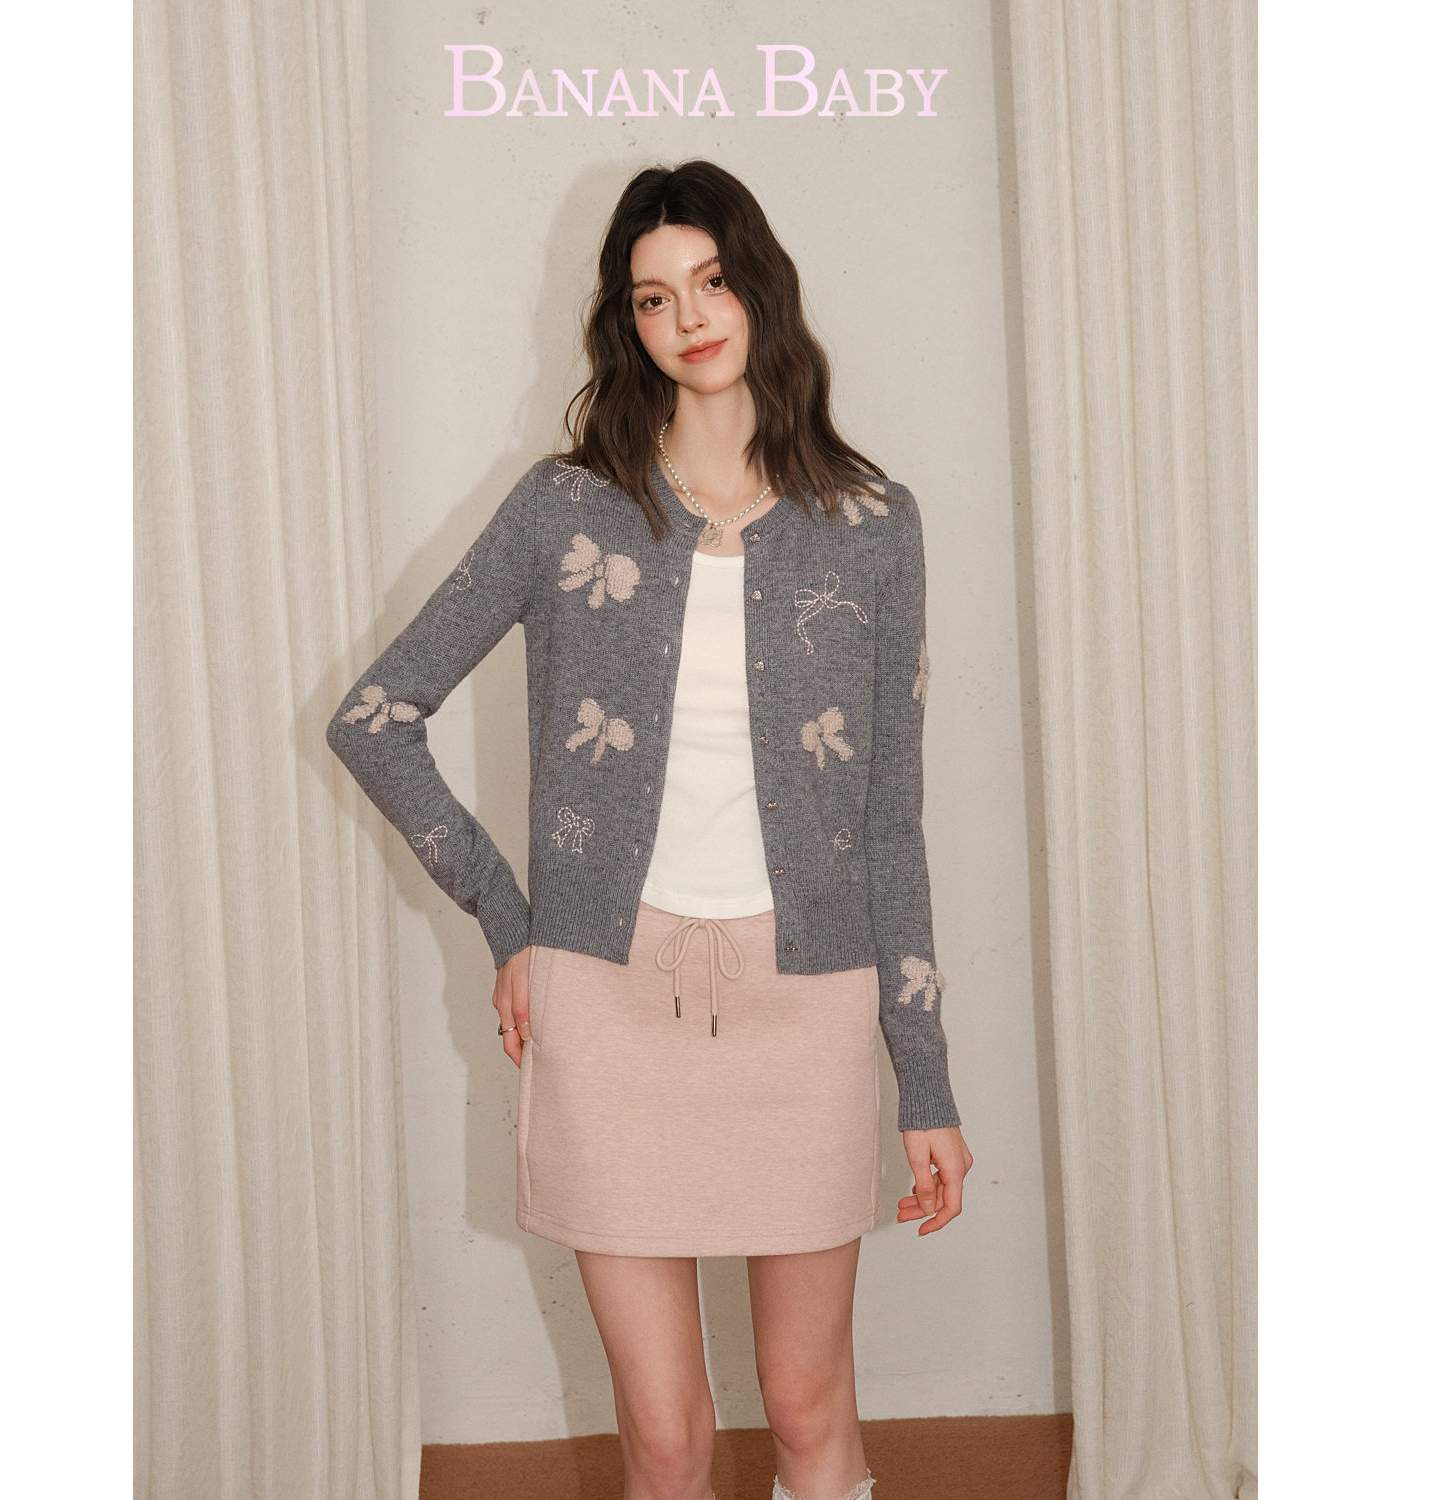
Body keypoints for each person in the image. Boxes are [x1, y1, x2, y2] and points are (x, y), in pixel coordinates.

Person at [327, 159, 972, 1500]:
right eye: (653, 296)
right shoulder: (567, 512)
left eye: (712, 280)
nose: (688, 316)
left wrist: (926, 1081)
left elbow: (888, 820)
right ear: (627, 323)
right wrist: (513, 924)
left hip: (809, 1005)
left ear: (760, 288)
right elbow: (376, 717)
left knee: (808, 1408)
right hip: (607, 1006)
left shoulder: (870, 526)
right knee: (667, 1438)